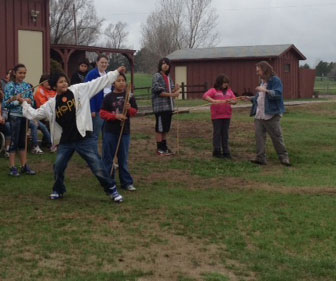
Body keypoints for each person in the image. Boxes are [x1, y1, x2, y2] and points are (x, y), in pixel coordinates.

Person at [19, 66, 126, 202]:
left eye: (65, 81)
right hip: (66, 141)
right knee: (58, 166)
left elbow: (99, 82)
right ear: (54, 86)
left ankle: (112, 191)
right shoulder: (51, 104)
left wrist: (116, 72)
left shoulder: (79, 90)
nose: (64, 84)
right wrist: (24, 103)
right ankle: (58, 190)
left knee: (97, 166)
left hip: (83, 138)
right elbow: (35, 114)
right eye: (60, 82)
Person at [248, 61, 291, 166]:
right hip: (259, 115)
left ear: (265, 70)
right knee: (259, 137)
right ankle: (260, 158)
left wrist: (265, 90)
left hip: (271, 115)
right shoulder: (262, 82)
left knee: (276, 137)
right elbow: (260, 98)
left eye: (258, 70)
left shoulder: (275, 80)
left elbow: (278, 94)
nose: (257, 73)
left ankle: (284, 157)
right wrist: (250, 98)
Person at [100, 73, 138, 192]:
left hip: (124, 131)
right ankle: (108, 181)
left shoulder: (129, 96)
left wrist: (129, 109)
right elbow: (102, 113)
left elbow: (134, 112)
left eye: (123, 80)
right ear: (113, 83)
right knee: (108, 157)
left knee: (123, 158)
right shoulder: (108, 97)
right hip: (110, 131)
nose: (121, 82)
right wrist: (115, 116)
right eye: (118, 80)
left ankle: (126, 182)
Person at [4, 64, 36, 176]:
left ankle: (24, 166)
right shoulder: (10, 86)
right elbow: (5, 104)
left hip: (24, 116)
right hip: (14, 116)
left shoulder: (27, 86)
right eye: (20, 73)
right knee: (14, 141)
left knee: (23, 142)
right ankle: (12, 167)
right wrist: (18, 101)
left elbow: (32, 101)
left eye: (24, 73)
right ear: (14, 73)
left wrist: (28, 100)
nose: (22, 75)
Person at [203, 74, 236, 158]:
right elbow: (205, 96)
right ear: (219, 82)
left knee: (225, 134)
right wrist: (213, 101)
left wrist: (232, 101)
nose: (226, 84)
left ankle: (226, 151)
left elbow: (235, 100)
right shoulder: (213, 90)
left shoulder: (229, 91)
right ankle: (217, 151)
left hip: (227, 115)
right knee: (217, 133)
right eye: (224, 83)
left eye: (227, 83)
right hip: (217, 116)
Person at [151, 57, 180, 156]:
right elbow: (158, 91)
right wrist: (172, 94)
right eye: (163, 63)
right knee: (160, 128)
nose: (165, 65)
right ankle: (159, 148)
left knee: (165, 128)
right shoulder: (157, 76)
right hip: (160, 108)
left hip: (169, 107)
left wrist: (175, 89)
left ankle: (164, 147)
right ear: (160, 65)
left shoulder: (169, 78)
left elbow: (171, 91)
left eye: (167, 64)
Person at [85, 54, 111, 141]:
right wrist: (92, 109)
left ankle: (106, 153)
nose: (104, 64)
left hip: (108, 108)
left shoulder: (108, 75)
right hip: (97, 109)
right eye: (102, 62)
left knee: (107, 133)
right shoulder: (92, 75)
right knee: (95, 134)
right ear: (97, 63)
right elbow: (89, 93)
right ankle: (92, 153)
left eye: (106, 63)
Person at [34, 74, 57, 152]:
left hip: (54, 112)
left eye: (50, 81)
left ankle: (52, 142)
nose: (49, 83)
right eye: (47, 81)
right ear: (42, 82)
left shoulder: (53, 90)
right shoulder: (39, 91)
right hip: (42, 114)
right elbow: (43, 106)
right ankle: (50, 143)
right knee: (53, 121)